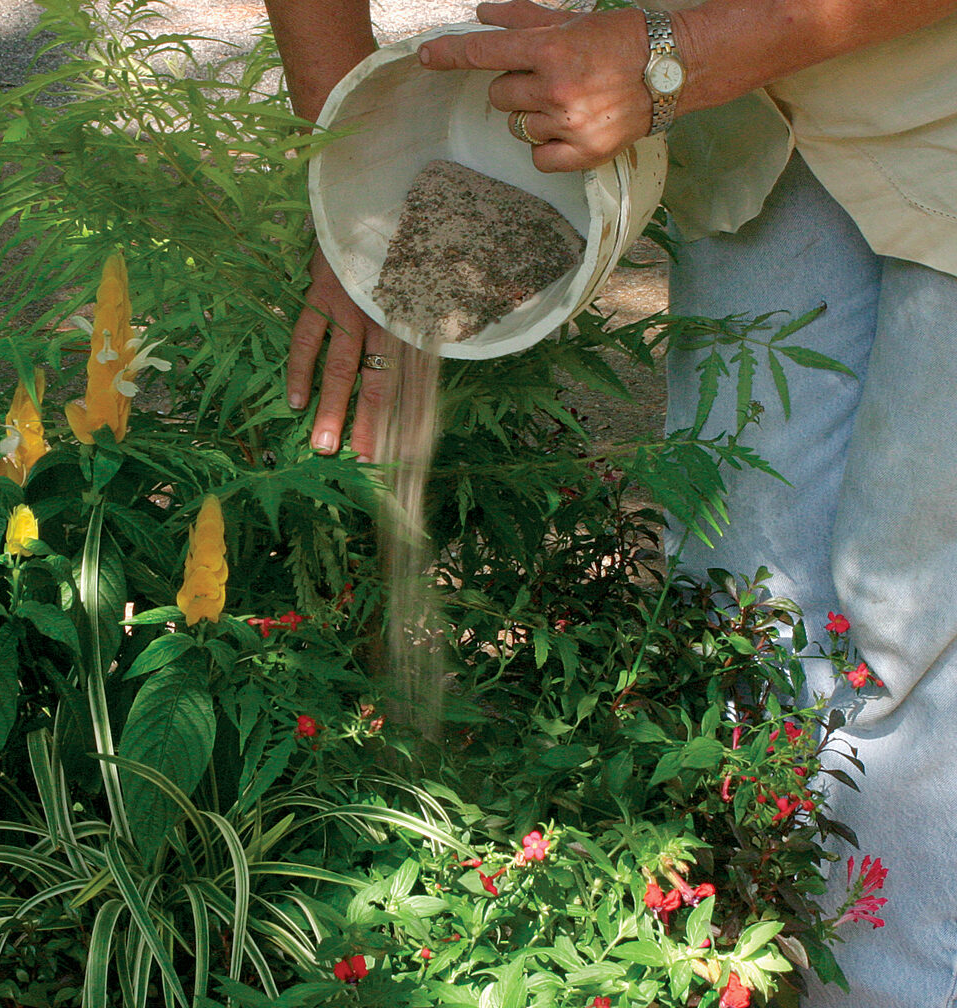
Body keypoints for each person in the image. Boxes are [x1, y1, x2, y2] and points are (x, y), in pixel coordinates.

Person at [261, 1, 957, 1005]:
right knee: (739, 614)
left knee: (910, 634)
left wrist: (675, 59)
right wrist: (362, 181)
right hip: (749, 112)